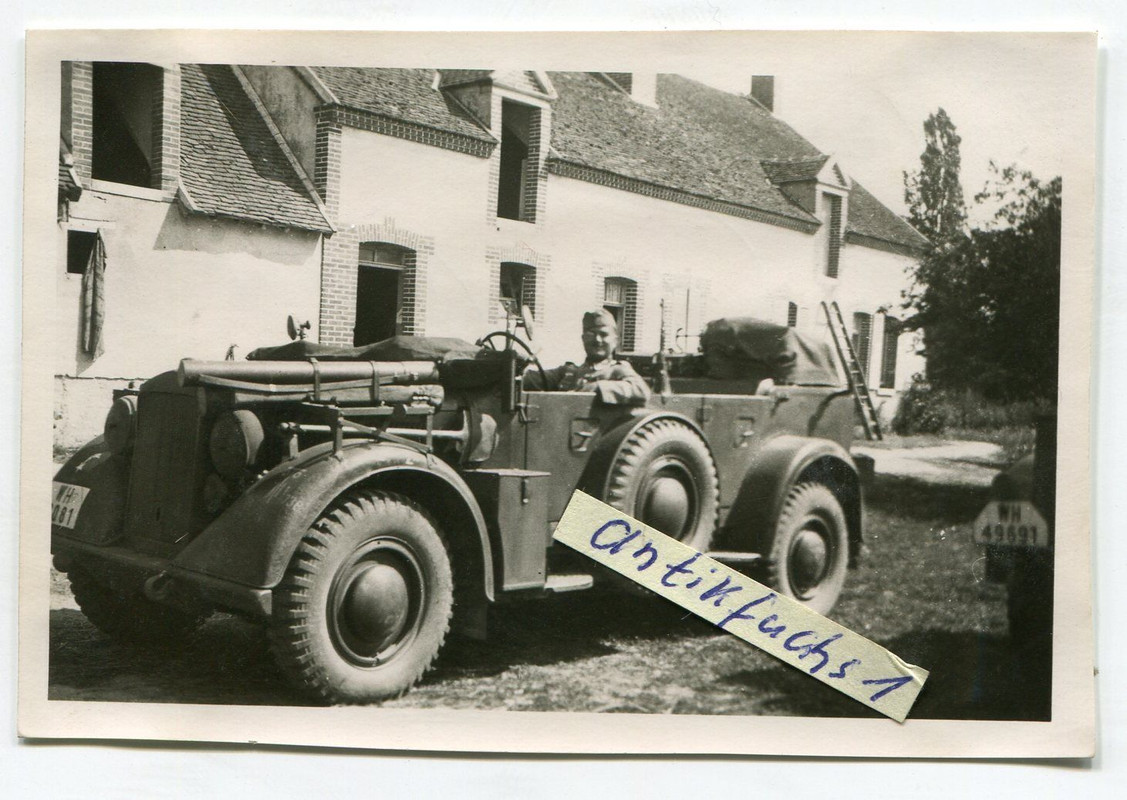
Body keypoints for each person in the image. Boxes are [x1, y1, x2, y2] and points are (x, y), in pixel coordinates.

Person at [521, 309, 651, 405]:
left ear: (615, 341)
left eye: (604, 334)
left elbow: (641, 391)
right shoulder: (568, 372)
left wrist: (597, 387)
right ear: (583, 339)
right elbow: (532, 379)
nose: (597, 340)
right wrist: (517, 362)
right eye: (591, 334)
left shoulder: (618, 370)